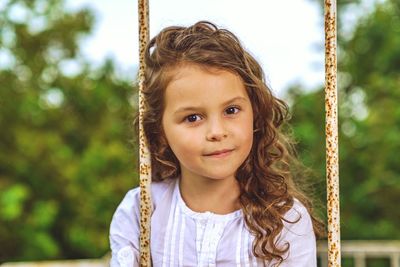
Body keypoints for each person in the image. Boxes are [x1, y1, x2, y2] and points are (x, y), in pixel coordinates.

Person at [109, 21, 324, 267]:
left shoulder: (287, 219)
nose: (216, 132)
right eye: (193, 118)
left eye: (231, 110)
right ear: (160, 131)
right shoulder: (141, 211)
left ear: (254, 113)